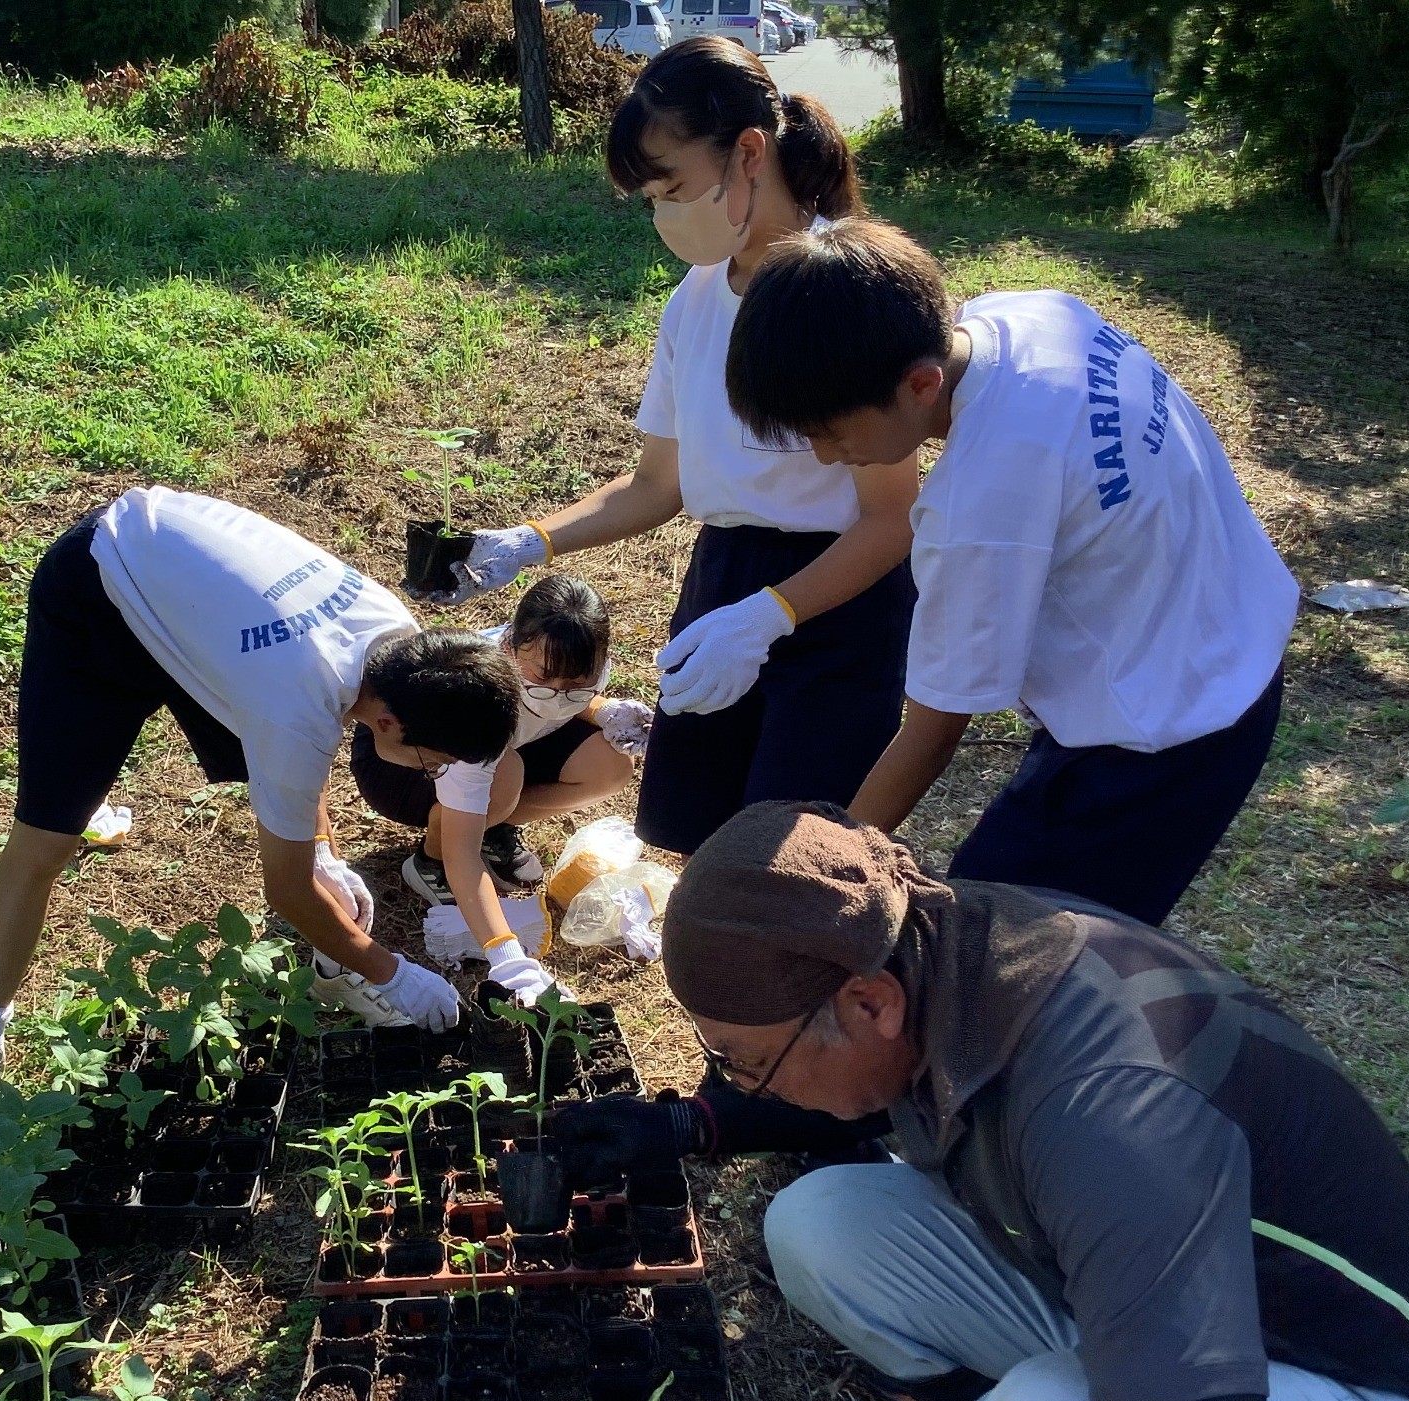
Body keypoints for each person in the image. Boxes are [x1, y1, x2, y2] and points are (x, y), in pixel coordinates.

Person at [559, 801, 1409, 1401]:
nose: (742, 1082)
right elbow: (865, 1092)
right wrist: (687, 1127)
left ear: (870, 1003)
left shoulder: (1111, 1111)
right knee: (823, 1220)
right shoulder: (941, 947)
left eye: (749, 1061)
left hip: (1359, 1383)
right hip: (1133, 1290)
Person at [723, 218, 1299, 926]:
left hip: (1172, 728)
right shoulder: (1029, 314)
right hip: (1228, 625)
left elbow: (931, 733)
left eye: (831, 433)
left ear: (919, 384)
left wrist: (834, 866)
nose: (822, 456)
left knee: (1006, 946)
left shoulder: (981, 505)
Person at [428, 38, 919, 858]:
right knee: (699, 824)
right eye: (651, 198)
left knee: (800, 850)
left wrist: (776, 614)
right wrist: (529, 541)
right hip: (726, 576)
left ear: (749, 154)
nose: (664, 216)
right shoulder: (695, 301)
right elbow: (659, 484)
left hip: (840, 599)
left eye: (674, 187)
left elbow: (891, 519)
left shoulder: (848, 288)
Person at [0, 488, 523, 1101]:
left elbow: (298, 750)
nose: (431, 774)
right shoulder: (295, 707)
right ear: (392, 725)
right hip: (102, 585)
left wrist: (322, 853)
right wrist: (392, 972)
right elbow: (285, 889)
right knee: (45, 844)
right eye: (434, 762)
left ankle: (336, 965)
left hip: (212, 614)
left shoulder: (398, 639)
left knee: (292, 795)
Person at [348, 575, 653, 1002]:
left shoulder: (583, 665)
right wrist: (507, 956)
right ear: (509, 646)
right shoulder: (477, 707)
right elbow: (463, 859)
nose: (559, 695)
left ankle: (492, 824)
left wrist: (603, 711)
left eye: (577, 685)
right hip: (401, 759)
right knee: (502, 774)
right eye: (544, 679)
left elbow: (568, 697)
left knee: (610, 764)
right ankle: (427, 861)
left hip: (507, 746)